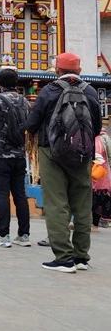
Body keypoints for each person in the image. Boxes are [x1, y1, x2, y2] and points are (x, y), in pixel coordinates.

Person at [26, 52, 101, 272]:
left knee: (57, 203)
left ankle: (64, 258)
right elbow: (96, 126)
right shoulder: (90, 91)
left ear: (57, 70)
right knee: (82, 204)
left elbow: (32, 123)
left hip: (52, 152)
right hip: (82, 154)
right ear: (79, 70)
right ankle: (80, 257)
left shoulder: (49, 91)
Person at [0, 69, 31, 248]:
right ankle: (24, 235)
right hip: (19, 155)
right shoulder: (25, 101)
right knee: (20, 194)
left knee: (2, 195)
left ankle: (3, 235)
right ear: (16, 82)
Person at [92, 128, 111, 232]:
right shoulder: (86, 134)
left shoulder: (105, 138)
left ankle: (95, 226)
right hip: (87, 173)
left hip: (101, 175)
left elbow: (110, 156)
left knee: (99, 201)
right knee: (84, 199)